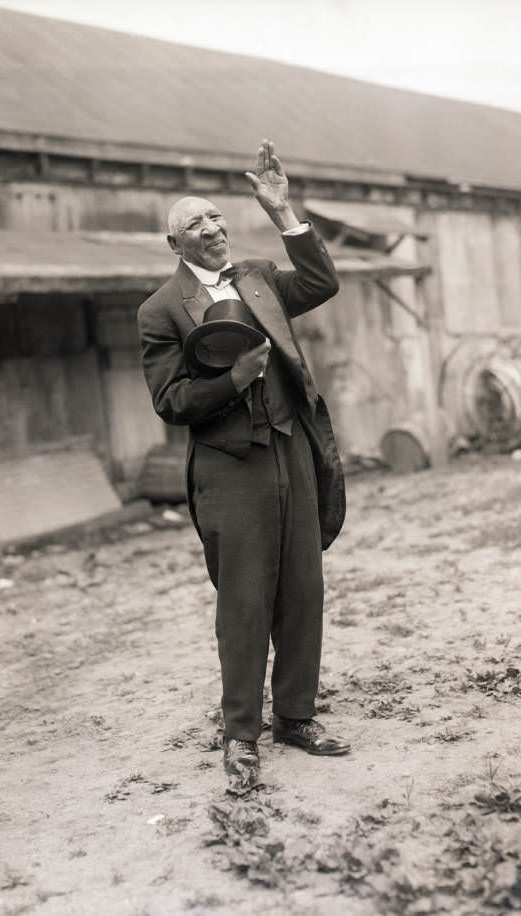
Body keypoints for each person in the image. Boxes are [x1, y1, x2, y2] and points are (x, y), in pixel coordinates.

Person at [138, 139, 349, 785]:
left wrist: (283, 212)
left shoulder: (258, 276)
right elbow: (171, 402)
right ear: (176, 246)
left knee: (303, 590)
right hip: (231, 465)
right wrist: (234, 380)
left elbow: (321, 281)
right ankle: (240, 734)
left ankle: (295, 716)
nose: (212, 228)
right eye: (194, 224)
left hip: (291, 446)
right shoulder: (160, 310)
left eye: (216, 217)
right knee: (245, 600)